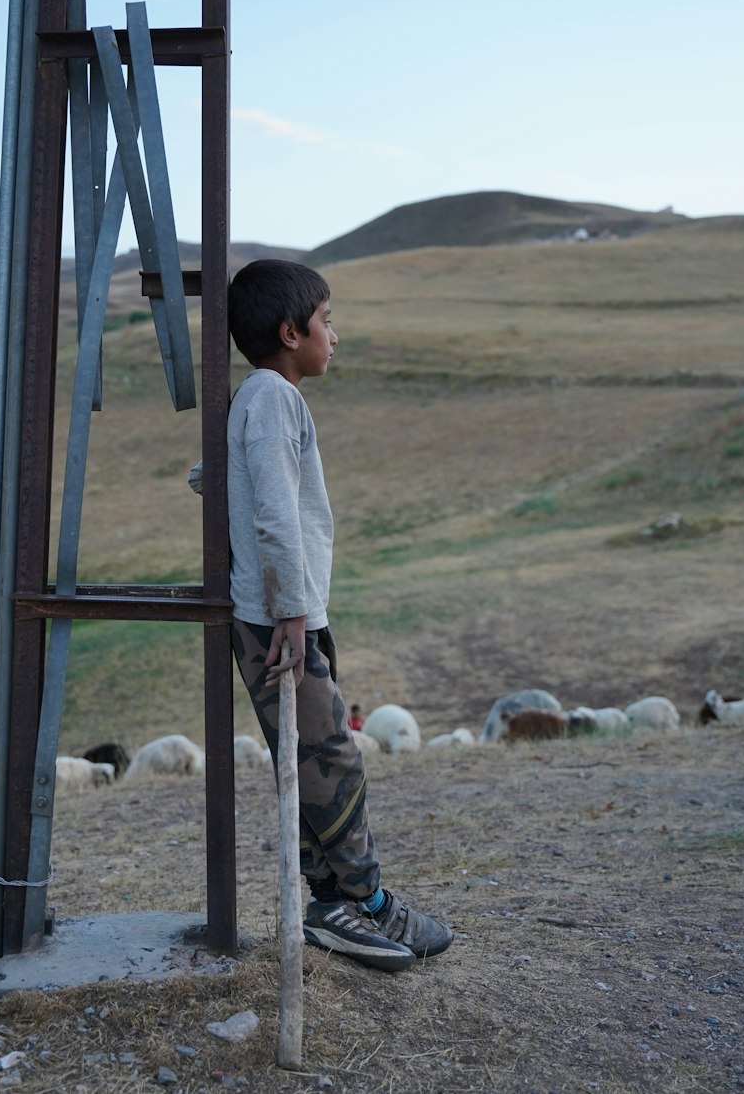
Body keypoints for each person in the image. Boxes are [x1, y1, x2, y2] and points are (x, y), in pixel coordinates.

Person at [225, 258, 452, 972]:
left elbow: (252, 482)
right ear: (291, 333)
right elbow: (272, 510)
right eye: (327, 321)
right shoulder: (270, 397)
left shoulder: (269, 399)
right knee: (335, 760)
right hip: (277, 620)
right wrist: (293, 613)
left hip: (292, 614)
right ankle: (367, 904)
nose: (335, 334)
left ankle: (334, 905)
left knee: (315, 763)